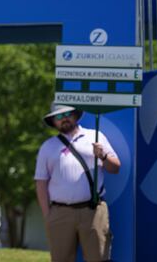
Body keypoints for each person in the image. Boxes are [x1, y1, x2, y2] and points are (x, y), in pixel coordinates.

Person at [34, 103, 121, 262]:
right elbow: (41, 183)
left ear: (75, 115)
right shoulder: (47, 147)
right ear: (53, 122)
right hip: (60, 212)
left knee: (99, 258)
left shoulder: (95, 136)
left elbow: (115, 168)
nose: (64, 119)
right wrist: (48, 215)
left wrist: (103, 156)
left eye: (67, 114)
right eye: (58, 116)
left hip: (93, 210)